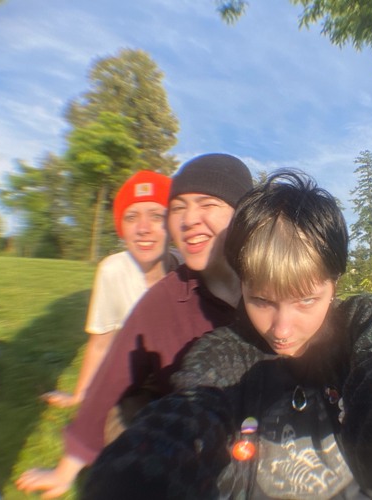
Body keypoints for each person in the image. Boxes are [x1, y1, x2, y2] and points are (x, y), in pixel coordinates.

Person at [83, 170, 372, 500]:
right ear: (241, 284)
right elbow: (190, 415)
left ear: (335, 282)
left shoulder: (362, 324)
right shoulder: (223, 354)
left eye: (306, 300)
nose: (282, 329)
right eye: (261, 300)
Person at [15, 153, 254, 498]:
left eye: (207, 204)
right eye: (178, 207)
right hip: (189, 433)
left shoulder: (270, 282)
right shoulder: (163, 300)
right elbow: (113, 378)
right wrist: (67, 468)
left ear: (243, 214)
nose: (189, 219)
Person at [41, 170, 178, 408]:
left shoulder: (189, 268)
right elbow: (100, 343)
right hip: (142, 382)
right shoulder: (112, 271)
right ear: (121, 227)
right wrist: (80, 396)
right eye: (131, 217)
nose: (143, 228)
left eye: (156, 216)